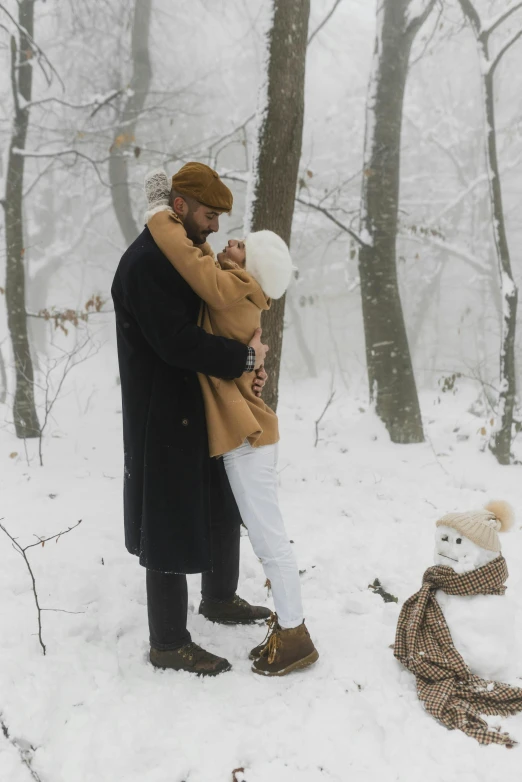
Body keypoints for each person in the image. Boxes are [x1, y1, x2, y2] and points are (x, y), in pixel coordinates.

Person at [143, 168, 318, 677]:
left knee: (269, 536)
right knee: (261, 530)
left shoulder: (233, 290)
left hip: (249, 438)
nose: (229, 240)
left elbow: (187, 258)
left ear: (251, 271)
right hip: (245, 433)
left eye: (241, 246)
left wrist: (160, 212)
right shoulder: (243, 296)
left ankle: (295, 634)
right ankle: (288, 626)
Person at [111, 162, 273, 677]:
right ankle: (168, 643)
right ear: (179, 207)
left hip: (199, 401)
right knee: (168, 520)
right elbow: (176, 343)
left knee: (219, 502)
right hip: (161, 410)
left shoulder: (184, 254)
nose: (216, 227)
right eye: (209, 214)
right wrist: (242, 361)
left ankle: (219, 598)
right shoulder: (146, 264)